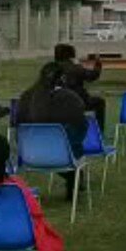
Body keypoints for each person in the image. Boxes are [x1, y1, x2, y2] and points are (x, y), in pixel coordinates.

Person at [17, 62, 88, 200]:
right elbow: (81, 129)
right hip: (61, 156)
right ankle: (74, 180)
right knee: (72, 144)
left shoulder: (26, 96)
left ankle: (74, 177)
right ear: (62, 78)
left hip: (29, 155)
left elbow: (18, 126)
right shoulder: (71, 99)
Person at [54, 43, 107, 132]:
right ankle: (99, 131)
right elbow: (93, 76)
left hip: (58, 103)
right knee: (100, 103)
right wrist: (98, 63)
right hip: (78, 102)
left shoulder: (52, 68)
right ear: (71, 56)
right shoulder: (75, 68)